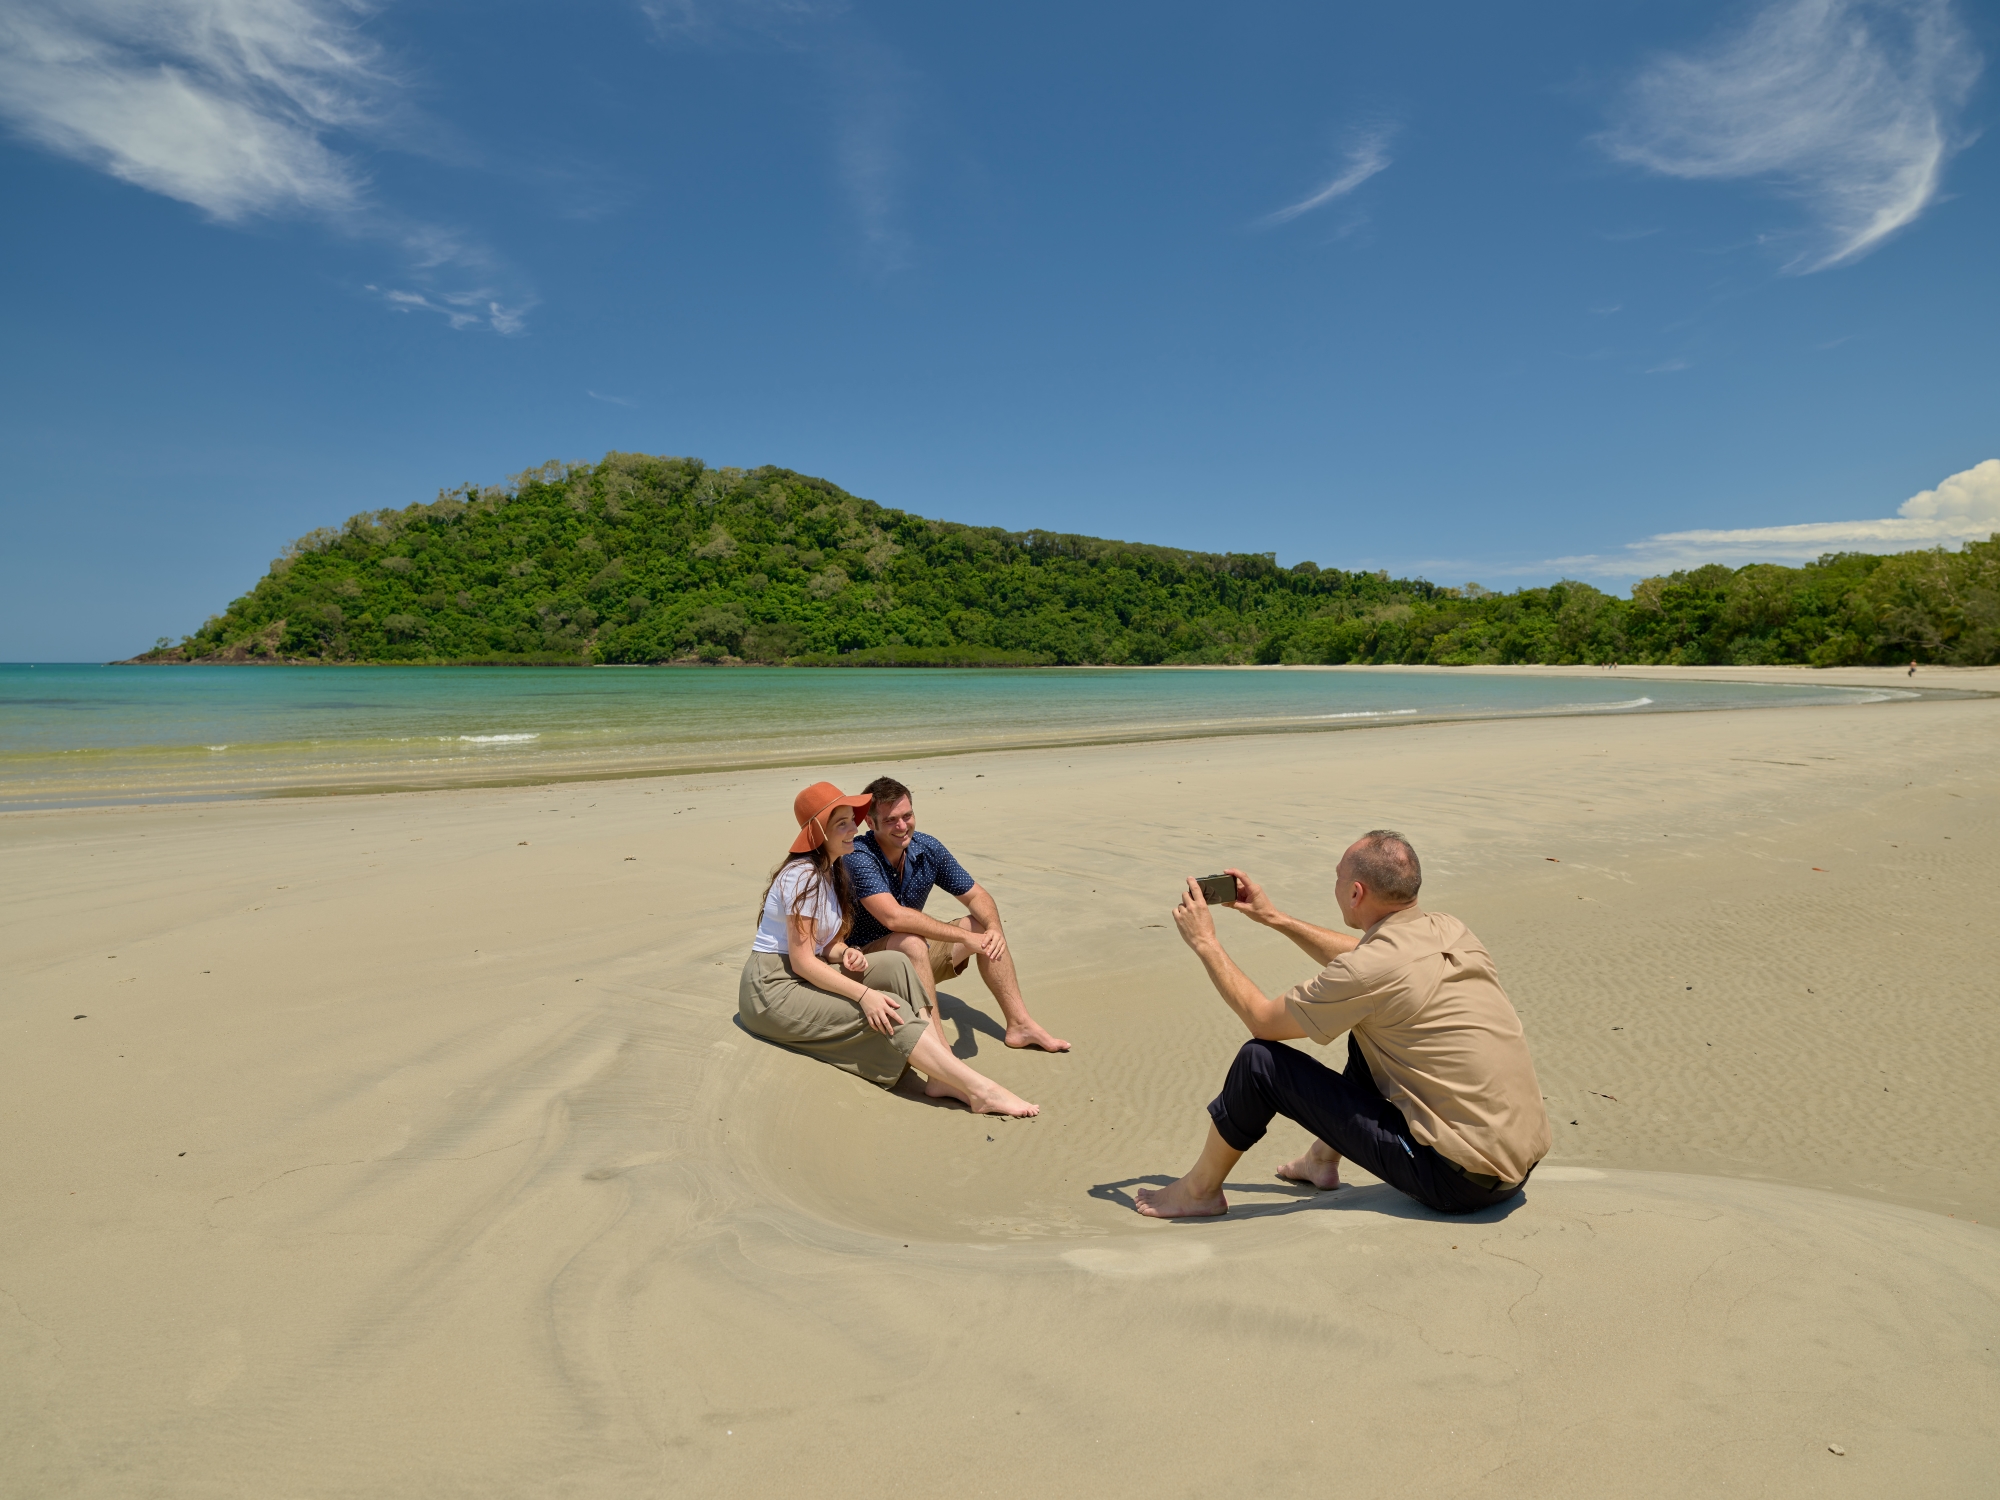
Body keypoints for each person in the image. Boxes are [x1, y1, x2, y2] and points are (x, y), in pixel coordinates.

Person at [1134, 830, 1549, 1218]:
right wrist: (1274, 918)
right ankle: (1321, 1160)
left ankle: (1200, 1191)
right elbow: (1367, 961)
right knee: (1370, 1031)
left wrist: (1205, 942)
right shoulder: (1449, 930)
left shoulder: (1372, 972)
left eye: (1338, 876)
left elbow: (1262, 1021)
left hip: (1458, 1181)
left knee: (1258, 1063)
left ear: (1356, 893)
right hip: (1515, 1168)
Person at [737, 781, 1038, 1117]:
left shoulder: (834, 870)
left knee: (896, 963)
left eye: (853, 819)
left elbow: (825, 946)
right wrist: (865, 996)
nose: (854, 828)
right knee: (883, 1013)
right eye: (843, 824)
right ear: (819, 832)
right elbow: (804, 961)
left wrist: (841, 953)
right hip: (771, 990)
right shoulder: (802, 876)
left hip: (804, 975)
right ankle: (979, 1089)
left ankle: (940, 1070)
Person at [842, 775, 1070, 1053]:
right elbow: (894, 918)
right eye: (891, 820)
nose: (902, 826)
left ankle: (1020, 1024)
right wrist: (966, 938)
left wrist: (993, 930)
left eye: (907, 815)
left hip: (915, 960)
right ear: (870, 822)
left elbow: (977, 896)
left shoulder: (927, 848)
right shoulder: (858, 855)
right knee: (911, 940)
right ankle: (941, 1052)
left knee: (982, 928)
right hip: (861, 966)